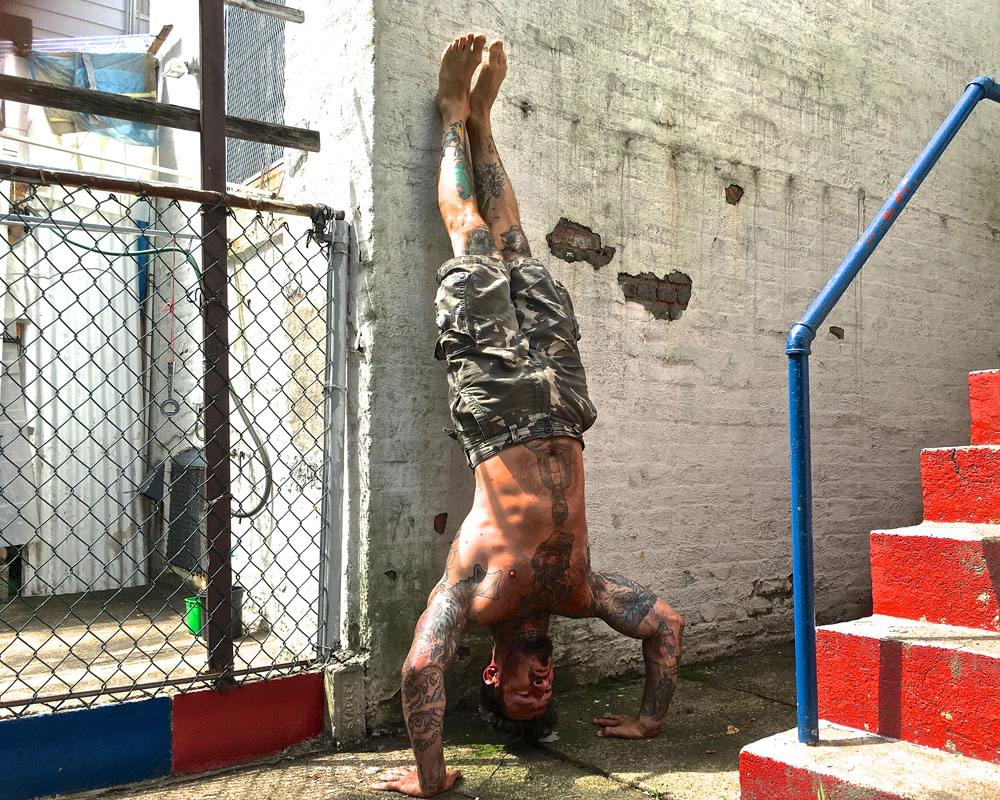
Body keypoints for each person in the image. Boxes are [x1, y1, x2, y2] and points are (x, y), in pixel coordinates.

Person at [373, 33, 685, 798]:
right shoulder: (579, 594)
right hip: (565, 403)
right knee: (518, 244)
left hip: (499, 405)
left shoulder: (477, 595)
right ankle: (486, 123)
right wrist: (650, 720)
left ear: (490, 671)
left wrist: (433, 778)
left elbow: (419, 667)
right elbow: (667, 627)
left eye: (521, 693)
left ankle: (455, 114)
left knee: (474, 240)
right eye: (545, 698)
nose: (540, 684)